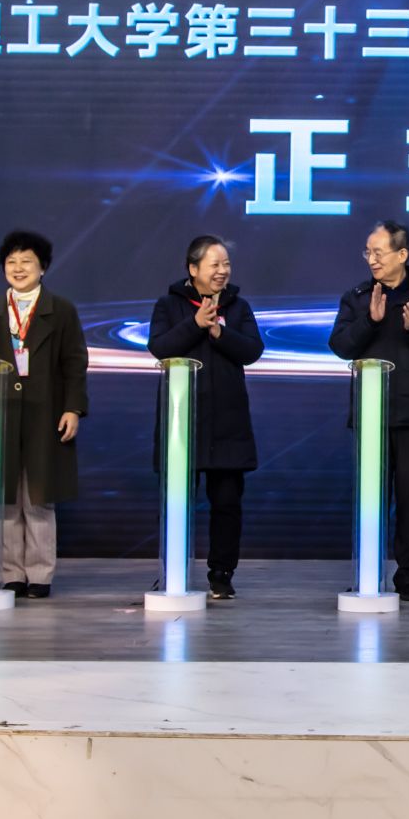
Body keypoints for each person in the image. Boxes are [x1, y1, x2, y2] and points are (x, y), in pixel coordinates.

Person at [0, 229, 88, 598]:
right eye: (11, 262)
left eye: (26, 261)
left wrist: (73, 408)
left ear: (43, 267)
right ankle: (11, 573)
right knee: (6, 501)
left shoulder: (61, 310)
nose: (18, 268)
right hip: (0, 415)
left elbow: (75, 363)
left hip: (46, 415)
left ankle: (40, 575)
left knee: (40, 498)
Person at [327, 220, 409, 602]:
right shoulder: (357, 297)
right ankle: (368, 572)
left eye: (379, 252)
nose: (372, 259)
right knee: (371, 498)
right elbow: (340, 345)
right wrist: (370, 321)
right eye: (368, 252)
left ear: (402, 254)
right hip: (370, 414)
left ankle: (408, 576)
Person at [147, 234, 265, 599]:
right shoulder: (169, 305)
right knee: (176, 502)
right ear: (193, 268)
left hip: (228, 423)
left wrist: (219, 331)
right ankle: (173, 571)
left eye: (226, 264)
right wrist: (195, 323)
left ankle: (222, 574)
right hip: (182, 421)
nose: (222, 271)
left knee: (227, 504)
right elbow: (159, 347)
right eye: (215, 264)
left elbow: (253, 351)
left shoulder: (239, 307)